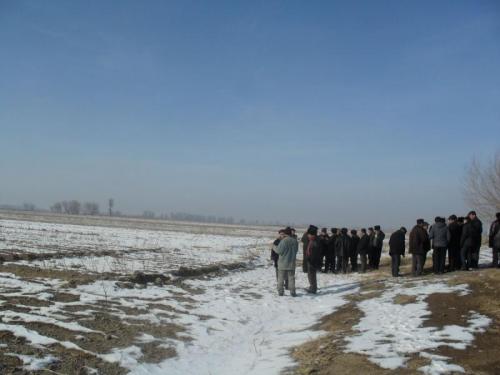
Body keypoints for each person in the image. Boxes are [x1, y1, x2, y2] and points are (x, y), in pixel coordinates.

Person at [275, 227, 298, 296]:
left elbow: (279, 251)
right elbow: (296, 251)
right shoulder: (295, 241)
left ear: (285, 233)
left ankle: (280, 291)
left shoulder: (284, 241)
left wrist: (274, 247)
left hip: (283, 263)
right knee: (291, 278)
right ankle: (293, 292)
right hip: (291, 263)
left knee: (281, 278)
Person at [304, 225, 323, 294]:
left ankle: (313, 289)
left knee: (312, 275)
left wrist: (310, 259)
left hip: (313, 261)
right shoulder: (313, 240)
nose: (307, 235)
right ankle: (312, 287)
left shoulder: (315, 241)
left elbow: (315, 253)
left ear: (311, 234)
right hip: (311, 260)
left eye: (308, 234)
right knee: (311, 275)